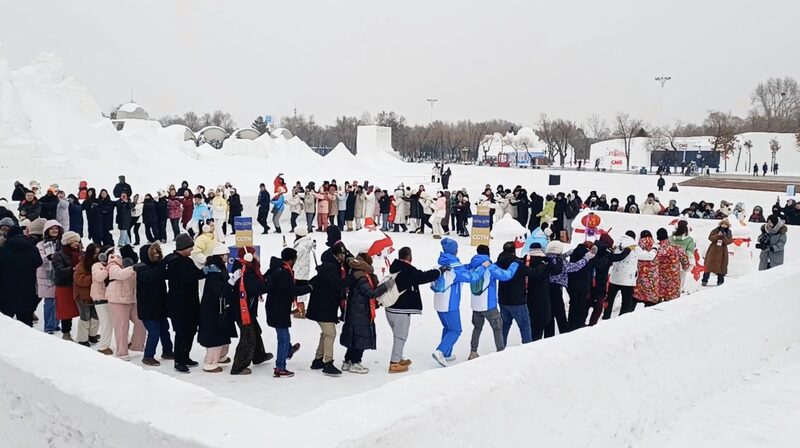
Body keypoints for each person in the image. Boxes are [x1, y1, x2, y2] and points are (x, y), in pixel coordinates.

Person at [386, 247, 442, 372]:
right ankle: (394, 363)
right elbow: (422, 277)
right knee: (400, 336)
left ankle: (398, 356)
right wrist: (438, 272)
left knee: (398, 335)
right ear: (409, 257)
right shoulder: (407, 270)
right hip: (400, 310)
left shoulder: (395, 267)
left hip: (390, 308)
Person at [340, 253, 393, 374]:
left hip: (354, 310)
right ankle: (355, 362)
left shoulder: (354, 272)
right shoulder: (362, 277)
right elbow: (371, 293)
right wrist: (386, 286)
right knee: (360, 338)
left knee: (354, 337)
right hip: (361, 312)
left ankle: (347, 361)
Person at [264, 248, 313, 378]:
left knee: (284, 335)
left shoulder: (276, 268)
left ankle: (288, 351)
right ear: (291, 260)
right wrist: (310, 288)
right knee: (283, 338)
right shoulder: (284, 273)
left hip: (274, 306)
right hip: (279, 308)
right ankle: (280, 367)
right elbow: (293, 290)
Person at [229, 246, 274, 375]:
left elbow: (258, 282)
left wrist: (269, 273)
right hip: (243, 311)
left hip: (247, 309)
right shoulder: (245, 272)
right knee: (248, 337)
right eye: (254, 255)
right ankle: (239, 366)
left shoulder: (247, 269)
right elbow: (259, 288)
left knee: (255, 331)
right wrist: (272, 280)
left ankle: (259, 356)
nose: (256, 257)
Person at [165, 234, 206, 373]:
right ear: (183, 248)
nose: (192, 250)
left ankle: (185, 356)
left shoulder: (187, 260)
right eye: (190, 247)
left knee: (191, 331)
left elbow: (197, 274)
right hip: (179, 305)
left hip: (191, 303)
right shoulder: (174, 262)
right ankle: (179, 360)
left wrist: (207, 270)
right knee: (182, 333)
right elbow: (185, 279)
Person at [430, 238, 474, 367]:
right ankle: (441, 351)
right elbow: (471, 278)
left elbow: (460, 269)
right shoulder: (454, 269)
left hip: (438, 302)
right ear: (455, 251)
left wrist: (468, 266)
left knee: (448, 328)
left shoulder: (440, 265)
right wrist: (481, 268)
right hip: (450, 303)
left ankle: (447, 353)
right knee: (456, 330)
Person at [197, 245, 237, 373]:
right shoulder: (215, 271)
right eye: (226, 255)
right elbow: (218, 290)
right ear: (221, 256)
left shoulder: (218, 267)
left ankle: (221, 356)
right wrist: (231, 282)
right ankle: (209, 362)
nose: (228, 257)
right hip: (213, 309)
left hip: (219, 308)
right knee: (215, 336)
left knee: (222, 334)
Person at [135, 243, 174, 366]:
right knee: (154, 333)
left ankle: (167, 351)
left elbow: (166, 275)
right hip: (148, 308)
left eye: (158, 253)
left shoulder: (158, 267)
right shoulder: (141, 269)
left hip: (160, 305)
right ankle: (148, 356)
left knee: (164, 330)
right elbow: (151, 277)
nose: (157, 256)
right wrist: (163, 264)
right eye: (154, 253)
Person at [544, 241, 590, 338]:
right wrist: (587, 258)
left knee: (549, 316)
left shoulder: (545, 260)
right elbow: (575, 267)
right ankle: (564, 336)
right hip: (556, 291)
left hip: (545, 291)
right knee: (561, 316)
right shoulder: (561, 262)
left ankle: (548, 338)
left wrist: (569, 253)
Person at [604, 231, 655, 319]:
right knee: (626, 303)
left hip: (614, 278)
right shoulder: (634, 247)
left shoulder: (616, 244)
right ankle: (621, 318)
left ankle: (606, 316)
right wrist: (655, 249)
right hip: (627, 280)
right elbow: (649, 257)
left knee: (610, 299)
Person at [106, 250, 145, 360]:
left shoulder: (133, 269)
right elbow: (119, 275)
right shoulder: (113, 265)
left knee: (140, 321)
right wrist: (133, 269)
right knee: (122, 326)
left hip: (132, 299)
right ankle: (122, 352)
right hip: (117, 300)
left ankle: (137, 345)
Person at [0, 226, 42, 326]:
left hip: (6, 290)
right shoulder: (32, 248)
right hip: (27, 289)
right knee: (26, 323)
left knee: (6, 323)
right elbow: (38, 262)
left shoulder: (3, 249)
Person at [51, 231, 82, 341]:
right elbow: (59, 271)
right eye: (74, 241)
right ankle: (66, 332)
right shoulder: (58, 255)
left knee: (82, 310)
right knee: (66, 311)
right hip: (64, 286)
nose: (76, 243)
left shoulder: (81, 253)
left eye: (77, 241)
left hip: (77, 284)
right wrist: (73, 269)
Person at [36, 220, 64, 334]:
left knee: (59, 301)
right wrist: (50, 257)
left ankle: (56, 323)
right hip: (46, 276)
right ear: (47, 230)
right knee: (49, 302)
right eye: (52, 228)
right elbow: (41, 258)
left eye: (56, 228)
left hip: (60, 275)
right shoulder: (41, 244)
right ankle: (48, 326)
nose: (54, 230)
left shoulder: (62, 243)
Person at [72, 244, 100, 347]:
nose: (96, 255)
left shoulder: (99, 264)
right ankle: (82, 338)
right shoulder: (81, 265)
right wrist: (94, 277)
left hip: (95, 295)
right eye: (95, 253)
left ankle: (92, 335)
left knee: (95, 316)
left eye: (98, 253)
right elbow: (79, 280)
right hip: (83, 295)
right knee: (85, 317)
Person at [655, 228, 690, 302]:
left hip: (659, 279)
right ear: (667, 236)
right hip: (673, 279)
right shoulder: (676, 248)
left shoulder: (655, 249)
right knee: (671, 302)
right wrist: (685, 267)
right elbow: (685, 260)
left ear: (657, 237)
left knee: (657, 301)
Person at [91, 247, 115, 355]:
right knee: (106, 323)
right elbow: (99, 277)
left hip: (110, 296)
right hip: (100, 297)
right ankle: (103, 346)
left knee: (114, 321)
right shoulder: (97, 265)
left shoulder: (113, 265)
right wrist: (107, 268)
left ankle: (126, 341)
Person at [292, 226, 315, 318]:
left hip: (299, 271)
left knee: (299, 292)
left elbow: (294, 256)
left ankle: (301, 312)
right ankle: (299, 308)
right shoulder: (305, 243)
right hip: (302, 270)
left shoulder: (301, 246)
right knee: (299, 291)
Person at [702, 218, 732, 286]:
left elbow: (729, 242)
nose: (724, 225)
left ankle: (720, 282)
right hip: (713, 249)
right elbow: (710, 238)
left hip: (723, 251)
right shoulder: (715, 230)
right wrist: (717, 235)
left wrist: (723, 236)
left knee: (721, 266)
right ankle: (704, 280)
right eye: (722, 223)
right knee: (709, 265)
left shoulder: (729, 232)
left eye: (725, 224)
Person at [669, 220, 696, 291]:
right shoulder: (689, 239)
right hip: (683, 261)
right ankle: (679, 290)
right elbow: (689, 251)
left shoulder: (670, 238)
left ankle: (671, 290)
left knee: (671, 277)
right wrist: (691, 262)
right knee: (682, 277)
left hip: (671, 261)